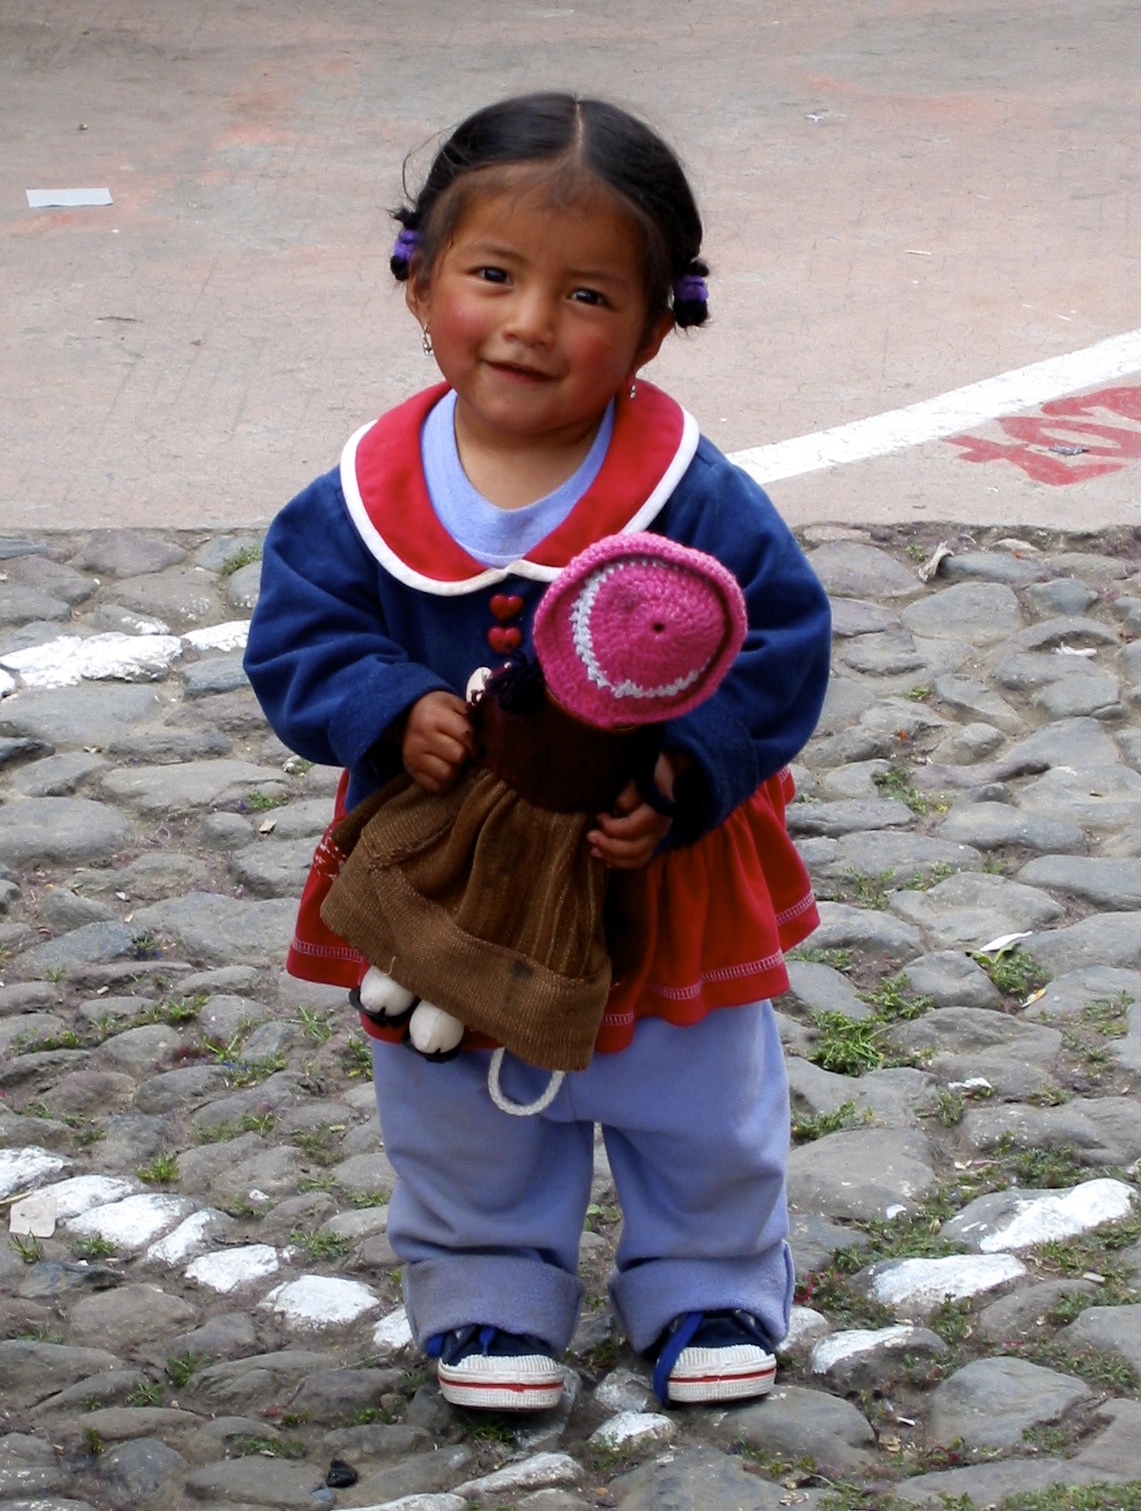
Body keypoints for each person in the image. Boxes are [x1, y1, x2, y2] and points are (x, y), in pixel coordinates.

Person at [244, 91, 831, 1414]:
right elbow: (299, 634)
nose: (525, 324)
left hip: (652, 869)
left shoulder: (689, 490)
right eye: (492, 275)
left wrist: (683, 771)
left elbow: (778, 637)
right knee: (448, 1089)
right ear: (418, 282)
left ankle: (709, 1278)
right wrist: (384, 706)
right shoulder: (359, 498)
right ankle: (488, 1291)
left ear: (655, 323)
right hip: (447, 870)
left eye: (584, 296)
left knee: (691, 1086)